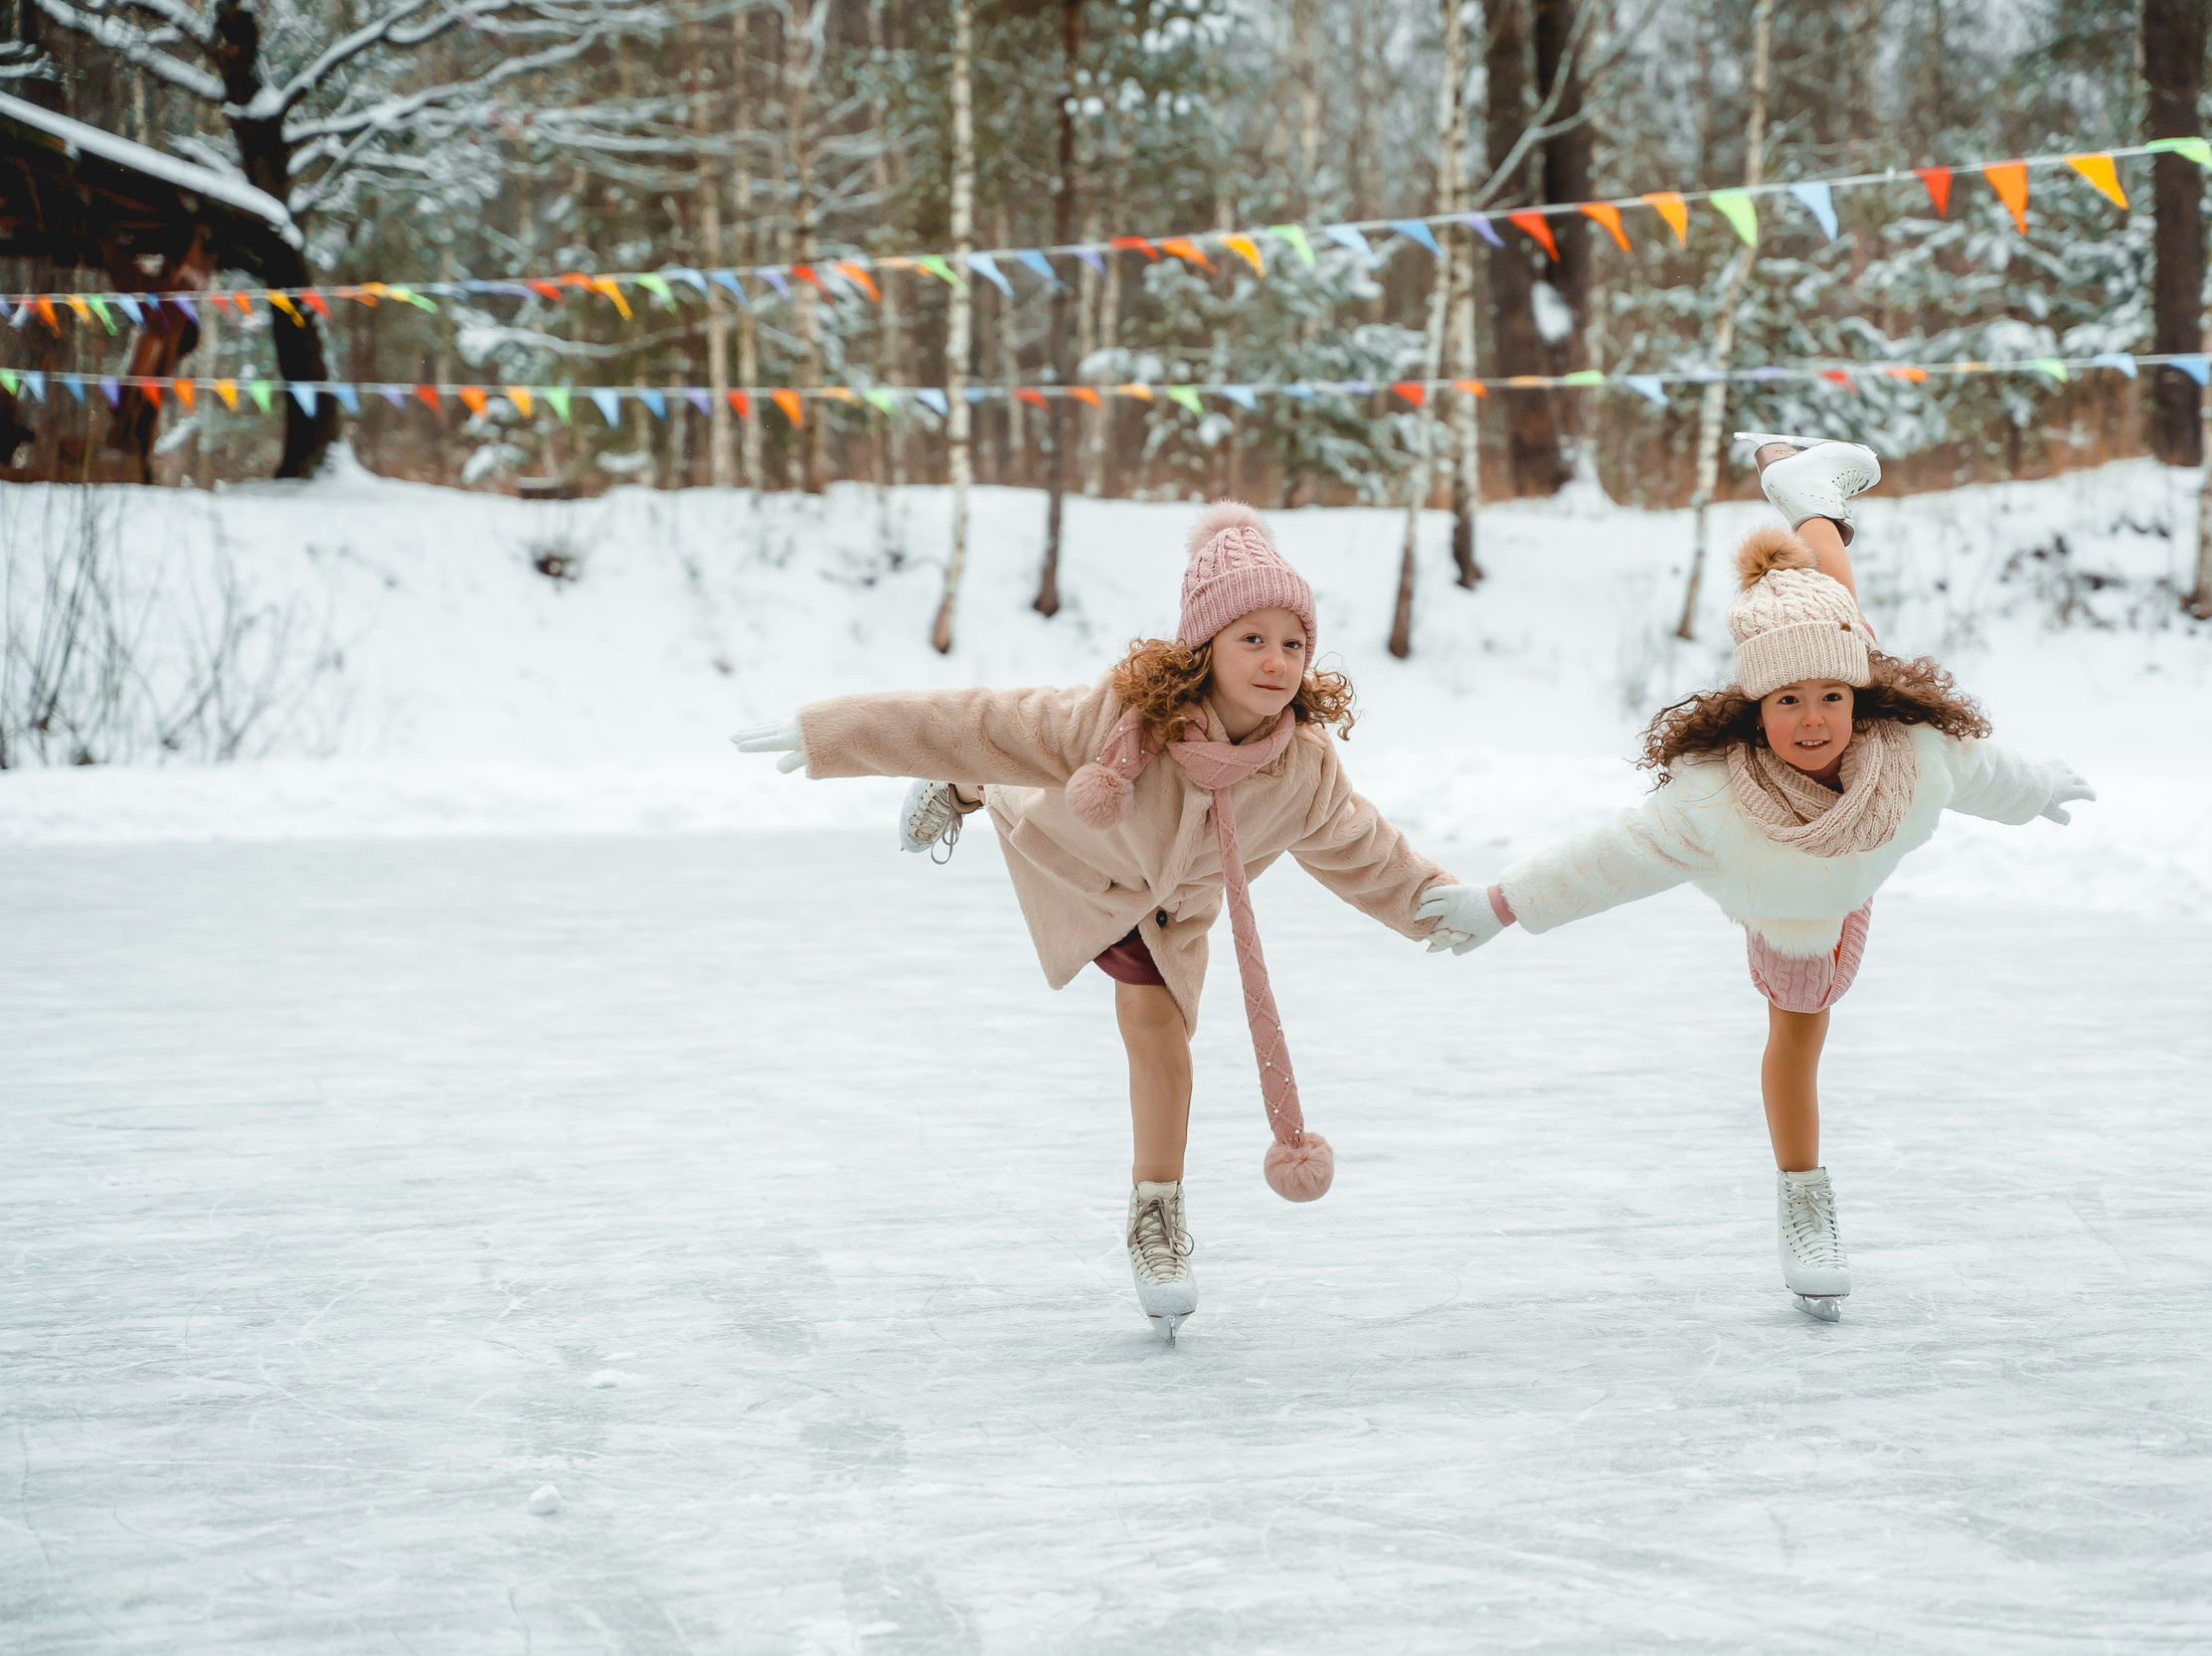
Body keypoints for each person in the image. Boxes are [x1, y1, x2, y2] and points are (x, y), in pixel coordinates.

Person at [732, 503, 1454, 1340]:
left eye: (1292, 642)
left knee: (1158, 1032)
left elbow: (1363, 847)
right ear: (1205, 645)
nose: (1275, 660)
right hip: (1068, 848)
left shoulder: (1301, 768)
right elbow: (982, 723)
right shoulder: (1117, 720)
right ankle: (961, 789)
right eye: (1250, 638)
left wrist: (1445, 905)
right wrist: (831, 735)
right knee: (1006, 775)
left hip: (1168, 915)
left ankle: (1157, 1220)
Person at [1414, 438, 2095, 1320]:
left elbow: (1986, 769)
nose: (1813, 722)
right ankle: (1805, 1202)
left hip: (1856, 803)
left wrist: (2038, 791)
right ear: (1754, 707)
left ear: (1860, 698)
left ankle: (1803, 491)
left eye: (1830, 698)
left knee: (1840, 614)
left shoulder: (1910, 750)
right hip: (1791, 890)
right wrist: (1499, 904)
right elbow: (1604, 860)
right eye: (1786, 703)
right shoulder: (1712, 808)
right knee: (1799, 1031)